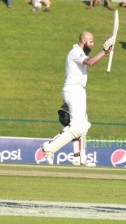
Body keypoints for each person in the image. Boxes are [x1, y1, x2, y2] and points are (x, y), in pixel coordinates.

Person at [42, 32, 115, 166]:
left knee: (82, 126)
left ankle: (79, 158)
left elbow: (91, 59)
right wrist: (104, 51)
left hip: (79, 90)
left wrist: (105, 50)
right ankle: (49, 147)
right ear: (83, 40)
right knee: (78, 126)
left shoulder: (80, 53)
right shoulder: (75, 52)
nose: (93, 44)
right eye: (91, 41)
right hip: (73, 89)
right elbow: (91, 62)